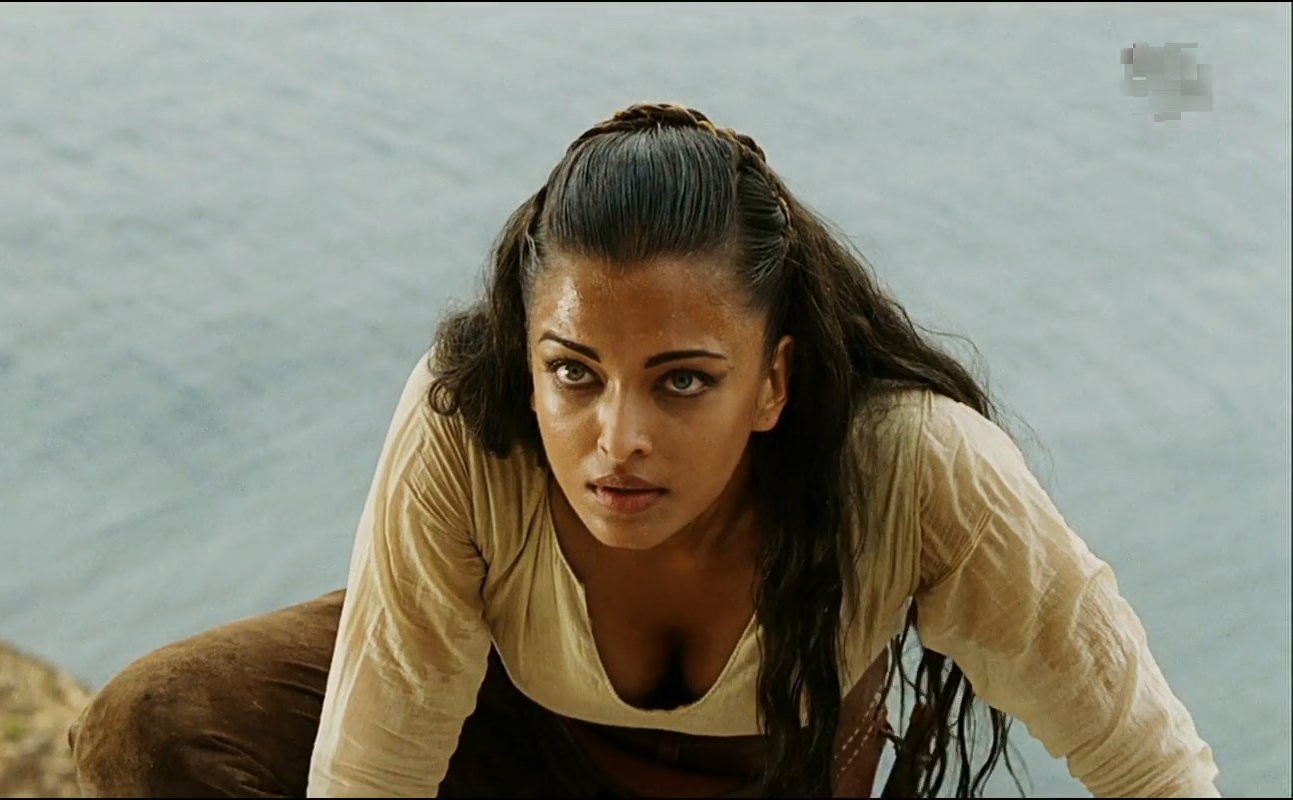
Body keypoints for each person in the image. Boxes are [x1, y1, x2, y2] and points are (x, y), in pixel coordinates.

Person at [66, 102, 1222, 797]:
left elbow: (1149, 765)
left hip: (772, 776)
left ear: (773, 382)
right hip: (504, 740)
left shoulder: (917, 468)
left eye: (683, 380)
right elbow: (378, 763)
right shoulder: (468, 424)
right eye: (575, 372)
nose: (616, 440)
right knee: (155, 718)